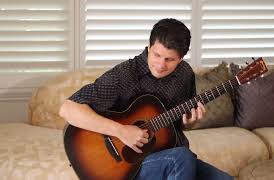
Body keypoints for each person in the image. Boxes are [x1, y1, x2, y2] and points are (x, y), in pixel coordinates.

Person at [59, 18, 233, 180]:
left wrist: (189, 122)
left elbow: (177, 126)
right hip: (128, 165)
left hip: (170, 155)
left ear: (180, 59)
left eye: (169, 59)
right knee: (181, 158)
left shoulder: (185, 74)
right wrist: (121, 131)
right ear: (149, 48)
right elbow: (67, 109)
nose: (160, 64)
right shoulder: (125, 75)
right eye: (156, 55)